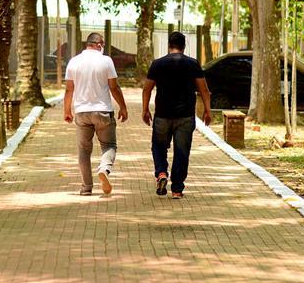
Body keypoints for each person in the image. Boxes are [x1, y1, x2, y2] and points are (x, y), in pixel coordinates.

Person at [142, 31, 211, 199]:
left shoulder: (158, 64)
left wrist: (145, 109)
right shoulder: (193, 64)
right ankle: (177, 189)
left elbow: (147, 89)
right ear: (184, 46)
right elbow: (204, 90)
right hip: (185, 116)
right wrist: (207, 110)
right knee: (182, 152)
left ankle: (161, 173)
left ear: (169, 45)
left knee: (158, 146)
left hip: (162, 115)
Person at [64, 32, 129, 196]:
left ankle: (86, 188)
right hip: (103, 111)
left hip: (81, 112)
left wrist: (67, 111)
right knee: (109, 145)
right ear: (99, 45)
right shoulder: (106, 61)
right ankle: (104, 168)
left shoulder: (74, 61)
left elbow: (69, 89)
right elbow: (114, 87)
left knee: (84, 151)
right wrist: (123, 107)